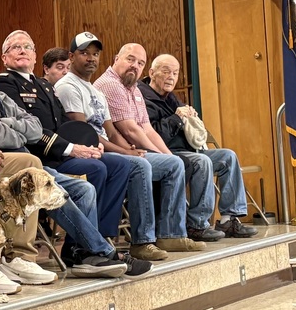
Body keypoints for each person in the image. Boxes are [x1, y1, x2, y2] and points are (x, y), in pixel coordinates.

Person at [0, 44, 141, 278]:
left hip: (29, 162)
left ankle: (80, 255)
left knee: (84, 190)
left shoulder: (2, 96)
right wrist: (17, 129)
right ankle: (103, 251)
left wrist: (9, 124)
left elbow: (36, 128)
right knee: (40, 178)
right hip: (2, 166)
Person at [55, 32, 201, 259]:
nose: (91, 58)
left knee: (167, 162)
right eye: (85, 53)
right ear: (72, 57)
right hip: (85, 151)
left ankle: (158, 234)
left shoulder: (97, 89)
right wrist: (130, 152)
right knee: (140, 165)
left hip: (106, 148)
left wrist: (140, 152)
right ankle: (142, 240)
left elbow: (114, 130)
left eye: (94, 54)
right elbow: (86, 133)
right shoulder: (78, 86)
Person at [0, 30, 133, 257]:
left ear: (35, 56)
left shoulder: (44, 85)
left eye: (27, 47)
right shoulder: (6, 84)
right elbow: (30, 131)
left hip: (61, 152)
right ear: (5, 58)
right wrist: (71, 149)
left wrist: (88, 145)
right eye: (14, 48)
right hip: (39, 156)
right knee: (96, 169)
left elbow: (65, 125)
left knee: (119, 164)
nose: (22, 51)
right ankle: (82, 247)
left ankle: (94, 237)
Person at [95, 43, 224, 243]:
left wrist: (166, 155)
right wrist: (163, 155)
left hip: (134, 148)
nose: (134, 66)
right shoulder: (112, 84)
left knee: (177, 162)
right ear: (116, 58)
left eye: (140, 63)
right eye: (130, 59)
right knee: (175, 164)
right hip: (117, 152)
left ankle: (179, 229)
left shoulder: (133, 88)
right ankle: (168, 234)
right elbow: (130, 130)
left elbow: (147, 129)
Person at [139, 54, 258, 239]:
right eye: (166, 71)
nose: (171, 76)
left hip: (188, 150)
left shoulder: (170, 97)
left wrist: (189, 115)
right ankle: (198, 224)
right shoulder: (142, 98)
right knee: (202, 161)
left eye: (175, 73)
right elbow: (152, 135)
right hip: (166, 153)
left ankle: (228, 219)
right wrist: (177, 118)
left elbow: (184, 121)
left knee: (228, 156)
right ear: (152, 73)